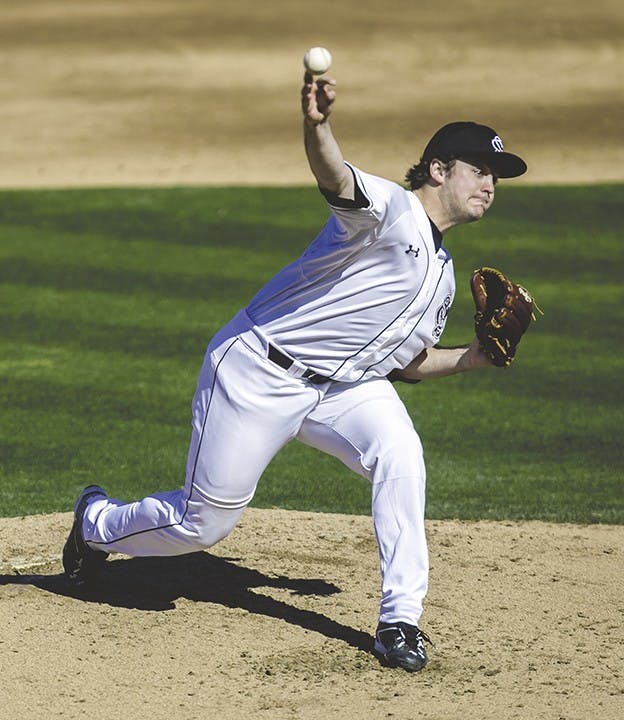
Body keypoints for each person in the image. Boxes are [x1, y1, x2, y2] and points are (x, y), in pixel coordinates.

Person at [63, 70, 527, 673]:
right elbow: (334, 176)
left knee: (401, 454)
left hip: (342, 387)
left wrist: (473, 357)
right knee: (203, 525)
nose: (490, 185)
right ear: (438, 169)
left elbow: (405, 364)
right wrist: (318, 125)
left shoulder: (441, 274)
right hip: (258, 370)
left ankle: (401, 619)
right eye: (480, 170)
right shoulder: (388, 209)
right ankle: (97, 523)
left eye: (497, 176)